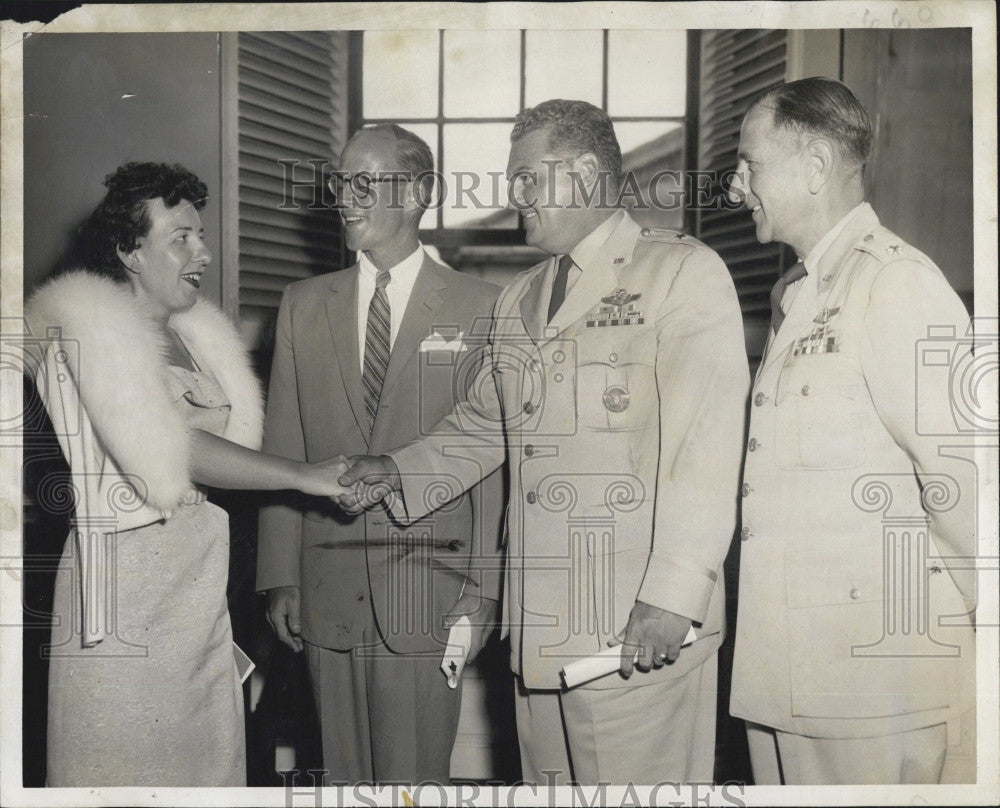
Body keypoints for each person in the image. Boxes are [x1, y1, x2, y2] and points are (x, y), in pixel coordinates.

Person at [340, 100, 750, 784]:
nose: (515, 196)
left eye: (528, 178)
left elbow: (705, 446)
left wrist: (674, 597)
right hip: (540, 632)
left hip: (635, 625)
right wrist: (395, 470)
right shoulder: (520, 297)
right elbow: (488, 423)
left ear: (586, 175)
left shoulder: (680, 273)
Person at [24, 162, 349, 787]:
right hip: (121, 594)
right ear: (130, 251)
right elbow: (176, 448)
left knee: (209, 773)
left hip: (200, 591)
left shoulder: (197, 339)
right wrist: (309, 476)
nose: (202, 252)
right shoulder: (84, 333)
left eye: (200, 235)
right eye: (180, 237)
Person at [726, 77, 977, 785]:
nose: (736, 186)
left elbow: (966, 482)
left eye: (751, 165)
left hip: (875, 679)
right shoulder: (798, 293)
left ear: (813, 169)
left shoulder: (896, 284)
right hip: (786, 669)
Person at [255, 124, 504, 785]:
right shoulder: (302, 305)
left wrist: (480, 595)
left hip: (429, 594)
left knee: (413, 783)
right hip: (323, 589)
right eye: (341, 182)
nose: (345, 198)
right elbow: (284, 444)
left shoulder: (483, 307)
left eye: (365, 183)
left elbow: (489, 464)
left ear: (420, 192)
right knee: (339, 778)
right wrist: (279, 574)